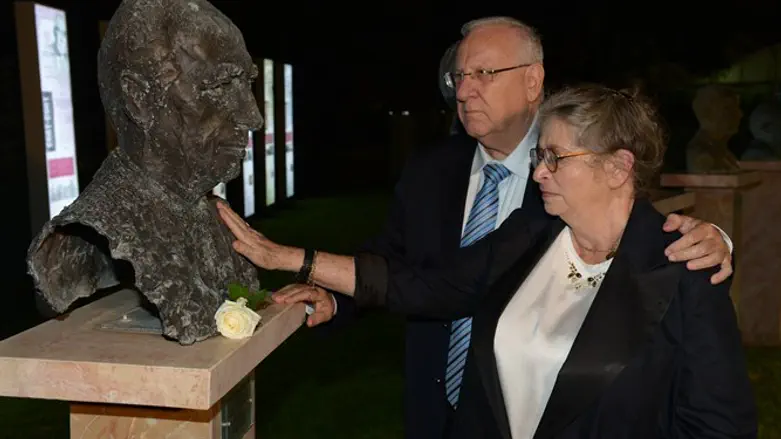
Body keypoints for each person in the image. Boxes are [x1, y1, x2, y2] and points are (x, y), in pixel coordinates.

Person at [218, 17, 735, 439]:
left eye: (484, 74)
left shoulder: (616, 226)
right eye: (457, 78)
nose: (463, 91)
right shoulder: (446, 179)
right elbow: (418, 277)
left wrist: (719, 238)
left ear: (533, 80)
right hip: (444, 411)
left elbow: (713, 416)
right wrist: (314, 275)